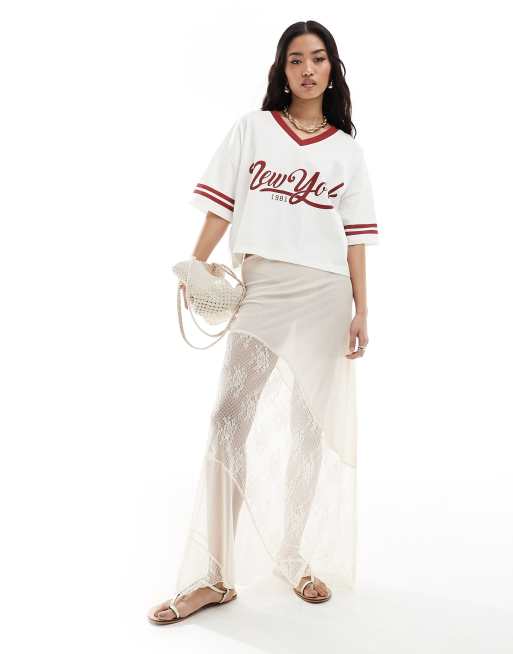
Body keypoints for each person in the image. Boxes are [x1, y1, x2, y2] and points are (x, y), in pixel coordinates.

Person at [148, 19, 380, 625]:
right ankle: (214, 575)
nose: (307, 69)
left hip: (326, 295)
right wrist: (195, 266)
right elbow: (220, 207)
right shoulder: (252, 129)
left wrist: (363, 309)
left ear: (332, 69)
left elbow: (355, 239)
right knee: (228, 418)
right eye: (296, 59)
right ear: (281, 69)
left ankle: (294, 555)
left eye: (318, 58)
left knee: (308, 427)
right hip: (263, 289)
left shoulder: (347, 150)